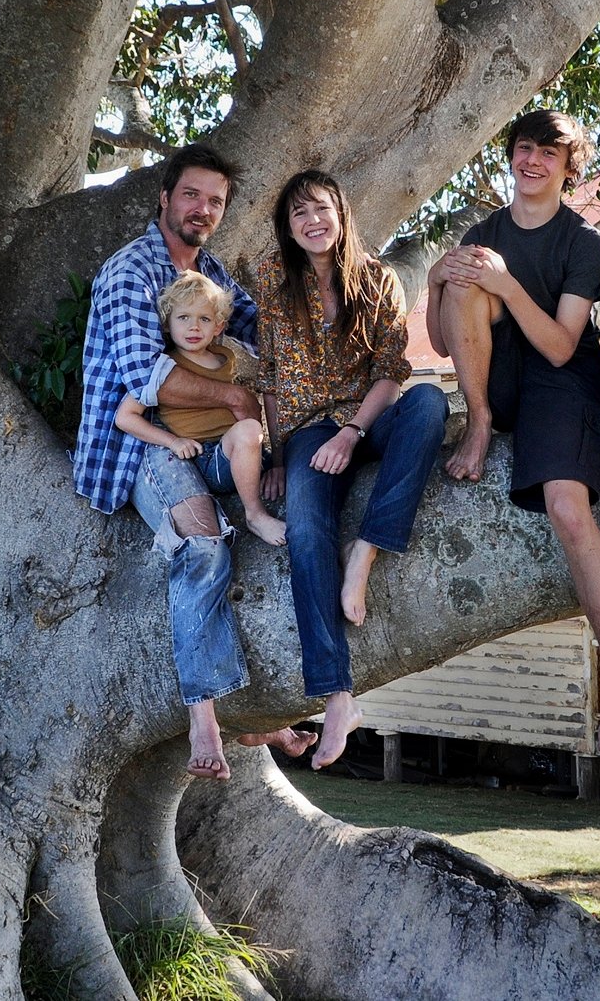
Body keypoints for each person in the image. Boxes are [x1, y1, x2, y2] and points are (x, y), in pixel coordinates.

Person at [73, 145, 310, 780]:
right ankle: (205, 711)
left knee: (296, 511)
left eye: (216, 201)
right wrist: (235, 396)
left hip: (210, 445)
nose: (202, 209)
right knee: (203, 547)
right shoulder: (132, 273)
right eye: (191, 195)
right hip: (142, 446)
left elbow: (269, 342)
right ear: (165, 199)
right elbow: (145, 379)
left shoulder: (215, 279)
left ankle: (258, 710)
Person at [427, 110, 600, 755]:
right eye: (524, 149)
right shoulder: (484, 230)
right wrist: (440, 278)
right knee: (465, 276)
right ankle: (480, 422)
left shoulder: (581, 241)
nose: (533, 161)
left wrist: (506, 284)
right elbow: (439, 340)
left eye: (550, 152)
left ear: (568, 166)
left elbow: (558, 344)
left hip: (560, 384)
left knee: (567, 509)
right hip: (495, 383)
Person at [254, 170, 450, 770]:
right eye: (298, 215)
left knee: (430, 401)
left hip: (369, 418)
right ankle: (338, 697)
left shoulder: (379, 280)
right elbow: (267, 378)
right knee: (307, 531)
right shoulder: (271, 280)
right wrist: (279, 453)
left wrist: (353, 431)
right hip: (309, 432)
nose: (311, 221)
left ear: (340, 213)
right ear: (288, 230)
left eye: (320, 209)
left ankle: (367, 549)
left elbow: (392, 369)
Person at [112, 271, 289, 547]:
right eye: (183, 318)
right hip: (207, 459)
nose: (194, 327)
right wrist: (173, 441)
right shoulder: (163, 368)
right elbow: (125, 418)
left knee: (275, 441)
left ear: (219, 327)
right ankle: (255, 515)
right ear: (168, 324)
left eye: (204, 319)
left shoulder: (224, 357)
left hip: (237, 452)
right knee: (250, 429)